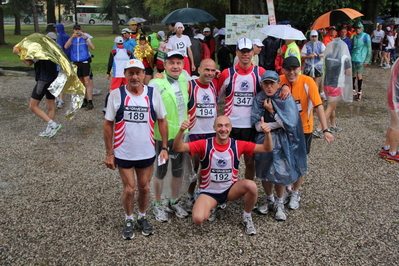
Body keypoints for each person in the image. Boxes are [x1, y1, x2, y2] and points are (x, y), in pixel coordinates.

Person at [172, 115, 273, 235]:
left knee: (251, 185)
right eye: (219, 125)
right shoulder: (204, 144)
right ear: (214, 128)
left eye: (226, 125)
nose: (223, 129)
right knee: (198, 219)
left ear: (231, 128)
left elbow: (266, 148)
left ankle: (247, 216)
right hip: (209, 192)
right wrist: (181, 131)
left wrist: (267, 133)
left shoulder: (237, 144)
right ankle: (212, 206)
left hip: (230, 190)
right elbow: (177, 147)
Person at [103, 59, 168, 240]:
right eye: (130, 73)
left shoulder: (153, 94)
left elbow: (162, 120)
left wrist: (164, 147)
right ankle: (129, 218)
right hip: (124, 151)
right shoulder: (116, 95)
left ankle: (142, 216)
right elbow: (108, 124)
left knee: (145, 188)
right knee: (130, 189)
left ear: (143, 74)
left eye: (138, 72)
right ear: (125, 75)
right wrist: (109, 152)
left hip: (146, 151)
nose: (134, 76)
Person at [218, 38, 290, 181]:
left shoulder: (260, 71)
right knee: (229, 161)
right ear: (237, 52)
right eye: (242, 51)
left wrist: (285, 86)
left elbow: (273, 85)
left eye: (248, 51)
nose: (245, 54)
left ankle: (247, 190)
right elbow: (216, 96)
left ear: (253, 52)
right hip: (231, 126)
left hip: (251, 125)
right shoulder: (227, 73)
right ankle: (228, 190)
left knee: (250, 162)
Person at [280, 56, 334, 210]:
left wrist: (325, 129)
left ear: (299, 69)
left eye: (294, 69)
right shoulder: (279, 79)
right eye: (288, 69)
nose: (291, 72)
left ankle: (296, 192)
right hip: (284, 129)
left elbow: (318, 105)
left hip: (304, 128)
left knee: (300, 162)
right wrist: (283, 85)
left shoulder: (308, 82)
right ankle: (286, 188)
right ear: (283, 70)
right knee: (284, 160)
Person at [251, 71, 307, 221]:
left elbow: (289, 125)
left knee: (281, 171)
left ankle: (280, 202)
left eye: (272, 83)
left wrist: (272, 112)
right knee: (264, 169)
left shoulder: (285, 98)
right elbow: (256, 125)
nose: (269, 87)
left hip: (283, 142)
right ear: (262, 84)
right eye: (266, 84)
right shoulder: (259, 98)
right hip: (264, 139)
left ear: (278, 84)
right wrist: (273, 125)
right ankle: (270, 199)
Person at [149, 51, 190, 222]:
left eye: (179, 63)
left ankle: (174, 200)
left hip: (181, 135)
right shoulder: (156, 82)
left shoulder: (184, 79)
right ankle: (157, 203)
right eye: (171, 63)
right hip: (162, 136)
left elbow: (203, 78)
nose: (175, 66)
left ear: (183, 65)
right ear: (164, 65)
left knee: (178, 170)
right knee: (160, 171)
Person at [185, 58, 218, 213]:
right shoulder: (190, 85)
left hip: (211, 133)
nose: (209, 73)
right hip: (194, 133)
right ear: (198, 69)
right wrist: (159, 76)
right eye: (206, 70)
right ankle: (190, 196)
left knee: (208, 168)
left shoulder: (214, 84)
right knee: (193, 168)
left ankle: (205, 194)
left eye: (212, 70)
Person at [12, 34, 62, 138]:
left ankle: (53, 125)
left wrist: (18, 53)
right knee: (50, 106)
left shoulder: (40, 51)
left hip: (43, 80)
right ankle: (50, 129)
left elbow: (28, 63)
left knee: (33, 106)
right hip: (53, 79)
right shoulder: (55, 50)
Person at [313, 38, 352, 137]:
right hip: (337, 85)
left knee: (332, 106)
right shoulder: (344, 58)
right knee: (330, 107)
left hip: (326, 84)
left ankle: (333, 125)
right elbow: (349, 72)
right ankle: (319, 128)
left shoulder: (328, 56)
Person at [64, 24, 95, 110]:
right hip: (77, 63)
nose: (77, 31)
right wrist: (72, 38)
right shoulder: (72, 39)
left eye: (78, 30)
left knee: (87, 82)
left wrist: (85, 38)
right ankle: (84, 100)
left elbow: (92, 47)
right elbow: (66, 46)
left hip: (85, 62)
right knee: (81, 83)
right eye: (76, 30)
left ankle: (90, 101)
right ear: (73, 31)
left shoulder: (85, 38)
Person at [380, 59, 399, 162]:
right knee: (397, 126)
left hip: (393, 96)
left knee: (393, 124)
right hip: (397, 98)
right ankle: (393, 152)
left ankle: (387, 147)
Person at [301, 30, 326, 99]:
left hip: (317, 66)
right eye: (312, 36)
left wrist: (318, 55)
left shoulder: (321, 44)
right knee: (308, 82)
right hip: (308, 66)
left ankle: (315, 97)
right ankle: (308, 96)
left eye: (315, 36)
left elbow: (325, 53)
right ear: (310, 37)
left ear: (317, 37)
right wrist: (308, 56)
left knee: (316, 82)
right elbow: (302, 55)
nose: (314, 38)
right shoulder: (306, 45)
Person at [351, 22, 371, 101]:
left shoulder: (366, 36)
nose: (357, 29)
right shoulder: (354, 36)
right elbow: (353, 46)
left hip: (361, 58)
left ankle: (359, 91)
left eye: (359, 28)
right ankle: (353, 89)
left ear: (362, 28)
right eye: (356, 28)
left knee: (359, 75)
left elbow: (369, 49)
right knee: (353, 75)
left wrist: (367, 60)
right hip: (354, 57)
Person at [54, 23, 71, 109]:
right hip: (66, 60)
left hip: (61, 61)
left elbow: (59, 48)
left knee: (59, 79)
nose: (55, 29)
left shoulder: (60, 36)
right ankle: (58, 97)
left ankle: (60, 99)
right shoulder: (67, 35)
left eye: (56, 28)